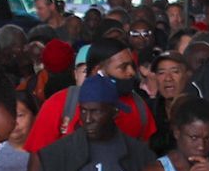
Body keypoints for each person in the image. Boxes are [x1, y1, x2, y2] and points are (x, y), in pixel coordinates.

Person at [24, 40, 155, 152]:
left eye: (132, 66)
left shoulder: (139, 106)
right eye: (123, 67)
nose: (131, 72)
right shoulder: (59, 104)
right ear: (98, 71)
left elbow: (143, 158)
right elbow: (37, 160)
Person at [145, 51, 192, 154]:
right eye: (161, 73)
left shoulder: (199, 109)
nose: (168, 78)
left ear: (187, 75)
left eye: (175, 72)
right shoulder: (147, 109)